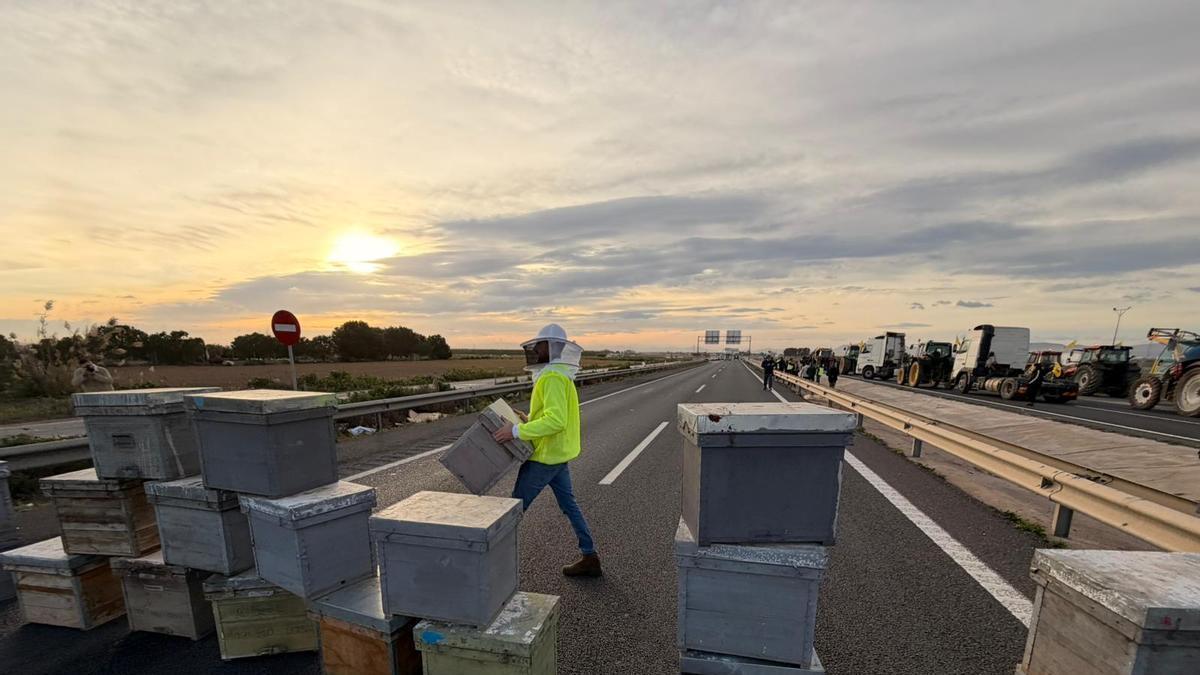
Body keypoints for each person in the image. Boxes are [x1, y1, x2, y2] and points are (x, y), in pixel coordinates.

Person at [491, 324, 600, 577]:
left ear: (552, 347)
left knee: (514, 508)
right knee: (569, 506)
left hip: (545, 458)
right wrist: (529, 418)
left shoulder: (551, 377)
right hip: (559, 456)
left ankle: (493, 568)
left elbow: (556, 421)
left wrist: (515, 432)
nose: (536, 350)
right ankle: (589, 555)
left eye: (541, 345)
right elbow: (552, 414)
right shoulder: (561, 374)